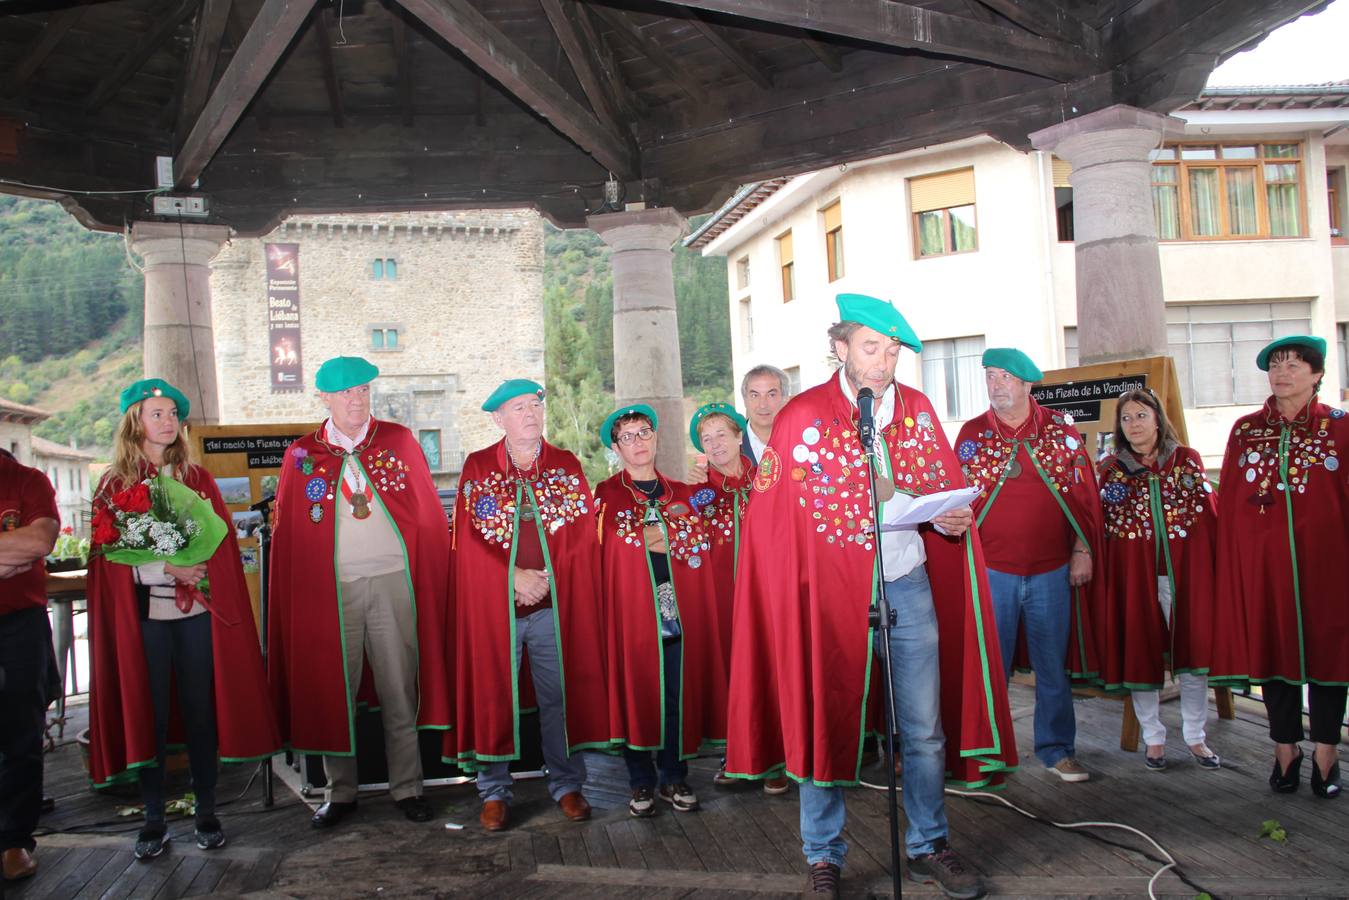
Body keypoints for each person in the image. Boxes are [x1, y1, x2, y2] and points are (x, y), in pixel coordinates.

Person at [725, 294, 1016, 900]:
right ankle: (824, 854)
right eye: (870, 348)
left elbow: (942, 490)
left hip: (907, 584)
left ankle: (929, 843)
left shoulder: (917, 409)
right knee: (823, 717)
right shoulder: (802, 415)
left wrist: (951, 519)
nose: (883, 362)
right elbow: (774, 519)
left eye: (892, 351)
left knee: (924, 728)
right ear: (840, 348)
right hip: (828, 595)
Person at [87, 379, 279, 860]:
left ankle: (207, 810)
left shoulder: (198, 480)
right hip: (144, 619)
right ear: (135, 422)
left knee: (199, 711)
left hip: (195, 615)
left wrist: (199, 568)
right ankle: (154, 818)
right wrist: (164, 566)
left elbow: (220, 551)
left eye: (173, 413)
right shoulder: (114, 485)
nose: (168, 421)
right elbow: (108, 562)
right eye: (157, 413)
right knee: (147, 713)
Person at [268, 357, 451, 828]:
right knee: (336, 692)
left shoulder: (397, 440)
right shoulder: (301, 456)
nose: (357, 400)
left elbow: (428, 515)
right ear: (324, 398)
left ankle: (408, 787)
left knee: (398, 687)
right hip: (332, 592)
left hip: (393, 582)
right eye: (347, 393)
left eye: (364, 391)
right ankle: (340, 791)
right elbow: (292, 536)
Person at [450, 379, 609, 831]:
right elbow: (468, 541)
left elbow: (580, 538)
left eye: (536, 405)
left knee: (557, 697)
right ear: (498, 419)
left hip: (551, 608)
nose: (531, 414)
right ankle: (494, 791)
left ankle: (565, 784)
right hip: (495, 610)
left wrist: (549, 580)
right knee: (492, 694)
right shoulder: (479, 467)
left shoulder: (565, 464)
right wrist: (511, 579)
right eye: (518, 408)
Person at [955, 348, 1102, 784]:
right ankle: (989, 753)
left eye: (1005, 377)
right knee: (989, 667)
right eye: (990, 376)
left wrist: (1083, 550)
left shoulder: (1061, 432)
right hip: (991, 572)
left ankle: (1057, 750)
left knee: (1051, 666)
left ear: (1027, 384)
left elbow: (1085, 500)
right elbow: (952, 497)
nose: (996, 385)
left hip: (1051, 571)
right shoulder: (972, 434)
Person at [1210, 336, 1348, 798]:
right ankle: (1284, 748)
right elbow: (1229, 501)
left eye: (1293, 364)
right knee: (1275, 651)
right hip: (1264, 568)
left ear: (1316, 374)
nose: (1282, 372)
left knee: (1332, 655)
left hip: (1329, 566)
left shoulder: (1342, 428)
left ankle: (1327, 751)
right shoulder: (1246, 430)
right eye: (1275, 365)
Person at [597, 405, 727, 817]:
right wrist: (657, 536)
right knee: (637, 688)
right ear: (616, 447)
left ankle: (674, 773)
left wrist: (659, 535)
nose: (637, 442)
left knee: (675, 688)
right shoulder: (605, 494)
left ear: (656, 437)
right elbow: (607, 550)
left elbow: (697, 540)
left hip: (674, 602)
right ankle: (640, 780)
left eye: (644, 432)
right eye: (628, 436)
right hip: (630, 608)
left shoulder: (681, 491)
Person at [1096, 390, 1220, 771]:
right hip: (1135, 579)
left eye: (1141, 415)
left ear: (1157, 419)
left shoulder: (1186, 460)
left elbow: (1208, 515)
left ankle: (1196, 737)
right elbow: (1102, 526)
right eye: (1126, 418)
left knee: (1192, 657)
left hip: (1185, 576)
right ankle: (1153, 738)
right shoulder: (1110, 469)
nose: (1133, 424)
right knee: (1141, 655)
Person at [687, 402, 789, 796]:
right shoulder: (697, 491)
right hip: (722, 601)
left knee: (772, 670)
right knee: (733, 676)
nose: (715, 445)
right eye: (706, 439)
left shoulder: (767, 479)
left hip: (768, 597)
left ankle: (777, 758)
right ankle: (738, 757)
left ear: (738, 437)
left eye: (721, 435)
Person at [0, 449, 58, 882]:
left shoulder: (27, 479)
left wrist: (25, 548)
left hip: (19, 623)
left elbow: (39, 541)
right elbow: (23, 546)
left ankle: (15, 841)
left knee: (22, 733)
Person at [739, 365, 790, 465]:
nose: (763, 405)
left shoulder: (801, 439)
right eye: (755, 395)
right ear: (745, 400)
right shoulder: (728, 445)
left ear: (785, 399)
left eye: (771, 395)